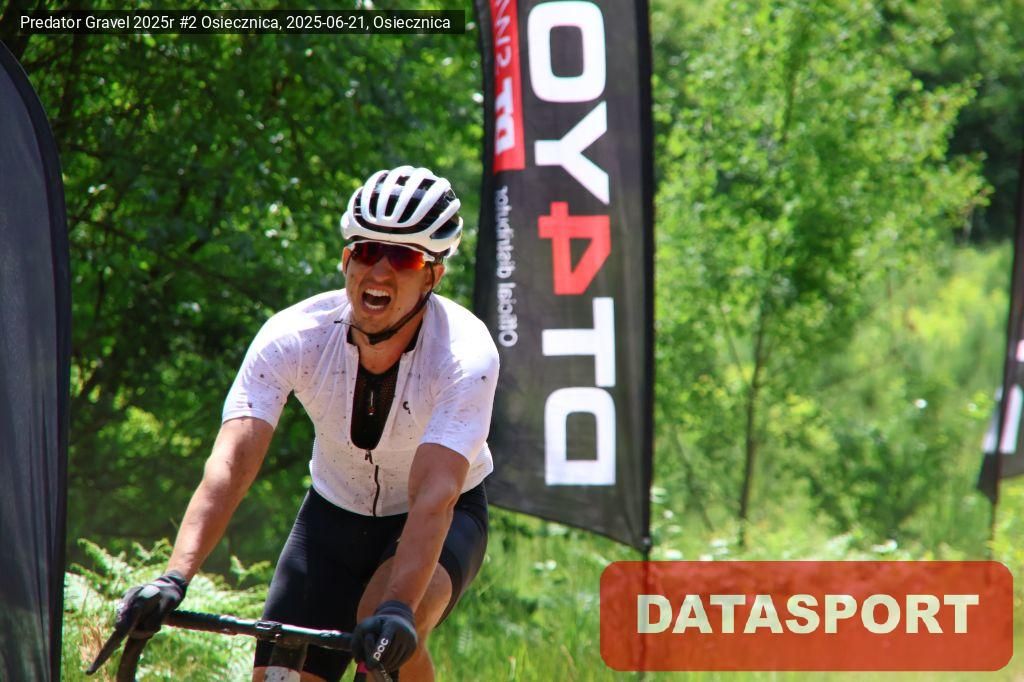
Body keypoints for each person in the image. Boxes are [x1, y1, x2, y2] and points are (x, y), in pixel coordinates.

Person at [109, 166, 499, 681]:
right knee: (279, 676)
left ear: (433, 276)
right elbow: (231, 464)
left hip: (437, 519)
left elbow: (435, 495)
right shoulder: (295, 336)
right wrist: (174, 577)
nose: (379, 272)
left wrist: (398, 608)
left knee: (383, 637)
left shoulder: (464, 354)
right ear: (345, 259)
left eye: (403, 258)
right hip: (331, 518)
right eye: (366, 251)